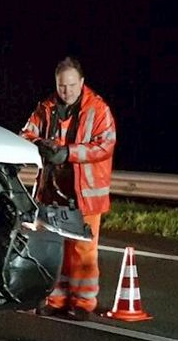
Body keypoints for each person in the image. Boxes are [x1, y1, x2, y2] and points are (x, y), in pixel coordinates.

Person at [20, 57, 117, 321]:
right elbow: (26, 134)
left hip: (84, 195)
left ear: (82, 83)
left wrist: (68, 153)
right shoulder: (46, 107)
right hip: (52, 193)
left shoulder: (98, 109)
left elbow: (105, 145)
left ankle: (83, 303)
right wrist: (42, 145)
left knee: (83, 251)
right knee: (56, 248)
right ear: (56, 84)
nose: (67, 91)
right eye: (62, 86)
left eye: (72, 85)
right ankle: (57, 298)